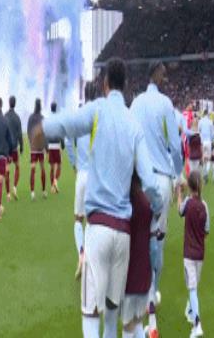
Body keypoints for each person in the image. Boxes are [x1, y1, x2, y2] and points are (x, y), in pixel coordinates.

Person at [32, 58, 163, 338]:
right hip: (123, 235)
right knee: (112, 317)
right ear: (125, 85)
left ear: (105, 84)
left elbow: (65, 124)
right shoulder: (133, 123)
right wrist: (158, 207)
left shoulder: (97, 110)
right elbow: (150, 182)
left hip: (99, 230)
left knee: (91, 312)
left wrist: (42, 129)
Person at [130, 62, 183, 336]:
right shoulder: (165, 104)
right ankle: (151, 304)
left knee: (139, 242)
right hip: (160, 179)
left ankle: (140, 305)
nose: (166, 78)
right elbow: (175, 146)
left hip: (138, 181)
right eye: (164, 74)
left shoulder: (136, 104)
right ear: (155, 75)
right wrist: (179, 173)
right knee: (157, 244)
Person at [66, 82, 95, 279]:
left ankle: (82, 254)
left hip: (82, 173)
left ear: (84, 95)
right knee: (94, 220)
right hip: (97, 176)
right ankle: (92, 259)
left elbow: (68, 141)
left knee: (78, 218)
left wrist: (73, 163)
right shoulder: (100, 115)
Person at [121, 173, 154, 338]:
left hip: (129, 272)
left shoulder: (125, 205)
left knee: (128, 324)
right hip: (144, 270)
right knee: (138, 321)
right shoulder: (147, 204)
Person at [177, 171, 209, 338]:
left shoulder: (188, 203)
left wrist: (179, 194)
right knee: (193, 286)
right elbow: (207, 231)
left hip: (189, 253)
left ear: (189, 186)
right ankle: (190, 311)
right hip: (200, 254)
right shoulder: (204, 206)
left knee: (192, 287)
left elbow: (179, 210)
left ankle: (197, 325)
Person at [27, 98, 46, 200]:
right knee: (42, 168)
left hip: (34, 147)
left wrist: (31, 142)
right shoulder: (42, 118)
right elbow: (45, 133)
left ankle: (32, 192)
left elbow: (28, 131)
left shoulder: (31, 117)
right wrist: (45, 147)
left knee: (33, 169)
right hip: (40, 147)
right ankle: (43, 191)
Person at [5, 95, 23, 200]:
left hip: (7, 148)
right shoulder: (17, 117)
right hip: (14, 148)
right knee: (17, 167)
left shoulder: (5, 116)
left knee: (7, 170)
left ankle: (8, 194)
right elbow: (20, 133)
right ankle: (14, 187)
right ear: (15, 104)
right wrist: (22, 146)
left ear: (9, 103)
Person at [47, 102, 64, 194]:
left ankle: (52, 187)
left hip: (50, 145)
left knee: (52, 167)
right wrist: (63, 145)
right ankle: (55, 181)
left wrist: (46, 147)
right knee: (59, 165)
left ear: (50, 108)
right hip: (57, 145)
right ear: (56, 108)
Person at [198, 110, 214, 183]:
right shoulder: (210, 121)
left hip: (202, 142)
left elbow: (198, 131)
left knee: (202, 158)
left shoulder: (200, 121)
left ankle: (203, 174)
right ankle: (205, 174)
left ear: (203, 114)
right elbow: (212, 133)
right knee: (208, 159)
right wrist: (212, 141)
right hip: (208, 142)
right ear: (207, 114)